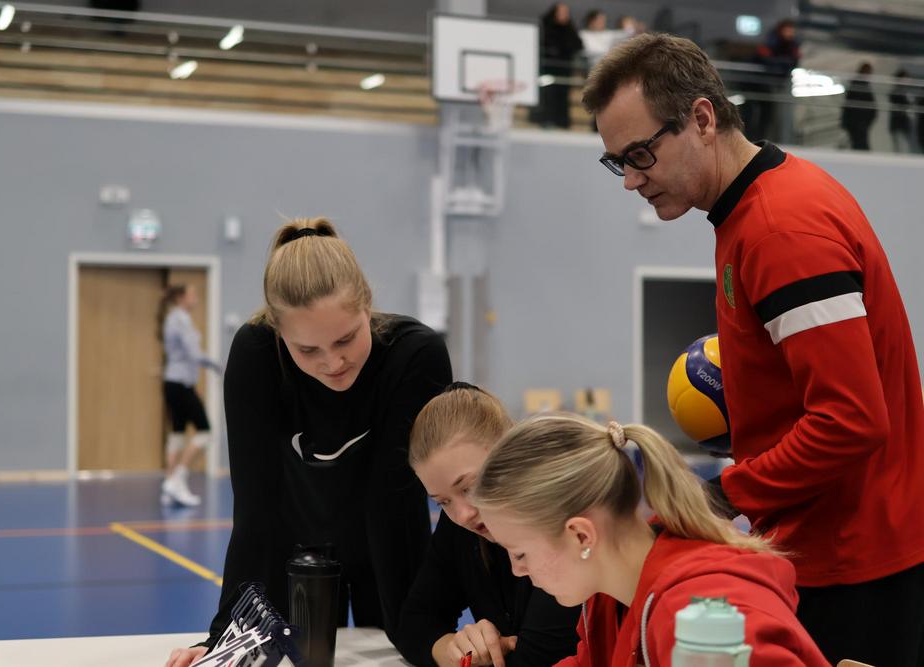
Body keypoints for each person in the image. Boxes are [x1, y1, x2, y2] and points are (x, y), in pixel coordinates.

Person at [581, 32, 924, 665]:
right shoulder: (755, 212)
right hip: (832, 546)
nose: (630, 180)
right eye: (616, 162)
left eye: (640, 154)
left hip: (854, 562)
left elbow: (851, 420)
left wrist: (721, 494)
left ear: (702, 119)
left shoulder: (780, 230)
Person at [164, 218, 452, 667]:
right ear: (279, 334)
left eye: (346, 339)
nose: (333, 363)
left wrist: (423, 633)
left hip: (392, 549)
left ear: (367, 306)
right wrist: (227, 635)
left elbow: (393, 501)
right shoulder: (257, 355)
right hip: (295, 553)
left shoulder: (414, 356)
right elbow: (255, 505)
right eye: (308, 350)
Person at [473, 415, 830, 666]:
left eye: (520, 553)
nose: (518, 571)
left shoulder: (702, 621)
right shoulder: (608, 598)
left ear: (581, 535)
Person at [394, 383, 594, 667]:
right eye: (443, 502)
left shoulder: (562, 524)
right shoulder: (462, 526)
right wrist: (457, 649)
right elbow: (414, 623)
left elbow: (539, 659)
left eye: (470, 487)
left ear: (511, 452)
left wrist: (487, 657)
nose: (463, 514)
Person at [158, 284, 220, 507]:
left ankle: (169, 485)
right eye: (192, 294)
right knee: (205, 432)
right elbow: (194, 354)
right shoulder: (180, 320)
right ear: (181, 297)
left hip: (175, 384)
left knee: (178, 433)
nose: (196, 298)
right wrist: (217, 365)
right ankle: (178, 478)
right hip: (181, 384)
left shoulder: (173, 318)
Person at [532, 3, 583, 129]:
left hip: (564, 68)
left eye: (566, 12)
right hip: (548, 68)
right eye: (561, 12)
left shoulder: (570, 29)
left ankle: (562, 122)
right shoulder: (545, 26)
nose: (564, 15)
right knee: (548, 94)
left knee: (562, 95)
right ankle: (546, 119)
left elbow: (578, 45)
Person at [841, 61, 877, 150]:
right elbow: (850, 104)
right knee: (860, 145)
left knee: (859, 145)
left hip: (858, 121)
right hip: (857, 121)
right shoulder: (859, 84)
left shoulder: (860, 84)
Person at [888, 68, 913, 153]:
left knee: (904, 145)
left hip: (903, 121)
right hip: (898, 121)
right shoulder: (896, 92)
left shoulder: (906, 92)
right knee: (899, 145)